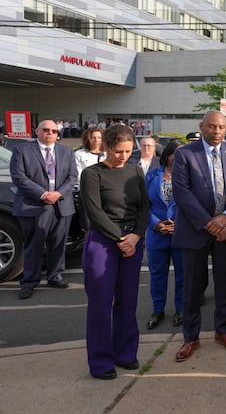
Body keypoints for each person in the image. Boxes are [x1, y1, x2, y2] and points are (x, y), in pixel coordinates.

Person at [172, 110, 226, 363]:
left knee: (224, 283)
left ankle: (222, 331)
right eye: (212, 127)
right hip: (195, 230)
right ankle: (190, 337)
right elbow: (182, 193)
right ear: (202, 126)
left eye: (222, 127)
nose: (217, 132)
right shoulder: (184, 154)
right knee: (192, 286)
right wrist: (209, 223)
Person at [80, 124, 149, 380]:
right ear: (107, 147)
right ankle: (100, 361)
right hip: (103, 243)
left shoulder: (136, 171)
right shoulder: (92, 173)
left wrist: (136, 235)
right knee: (100, 303)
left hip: (133, 240)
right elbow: (95, 212)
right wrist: (121, 238)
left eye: (128, 151)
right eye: (118, 151)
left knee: (128, 300)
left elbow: (144, 207)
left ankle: (126, 353)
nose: (123, 157)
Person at [11, 120, 78, 299]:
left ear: (58, 134)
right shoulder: (22, 150)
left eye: (54, 131)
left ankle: (55, 276)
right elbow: (19, 177)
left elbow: (72, 177)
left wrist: (58, 194)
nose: (50, 133)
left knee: (58, 243)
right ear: (37, 131)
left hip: (61, 204)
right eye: (46, 130)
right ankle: (29, 282)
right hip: (34, 205)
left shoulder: (66, 151)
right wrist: (43, 194)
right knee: (34, 245)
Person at [145, 140, 185, 330]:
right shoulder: (152, 175)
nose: (178, 157)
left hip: (181, 232)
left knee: (182, 274)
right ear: (167, 155)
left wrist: (179, 225)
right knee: (157, 274)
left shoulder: (189, 176)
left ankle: (181, 309)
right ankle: (157, 309)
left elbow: (192, 204)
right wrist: (156, 224)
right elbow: (142, 204)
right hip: (157, 232)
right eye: (175, 153)